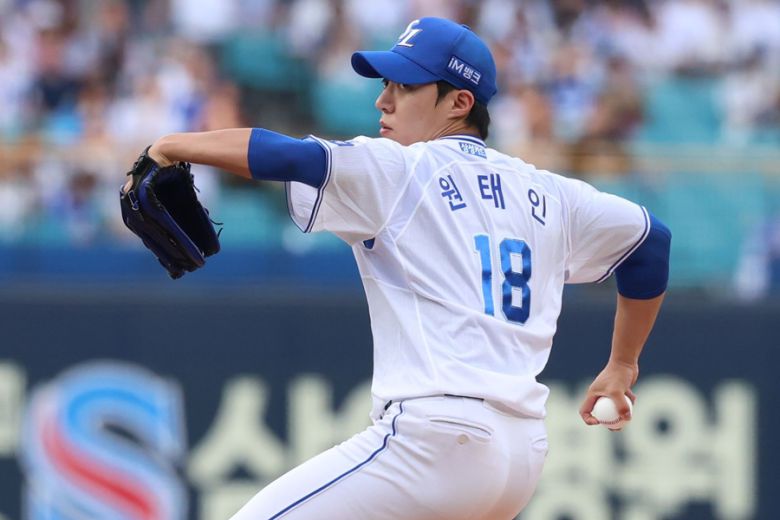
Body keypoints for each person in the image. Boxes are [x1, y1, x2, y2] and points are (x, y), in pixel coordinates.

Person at [125, 17, 671, 520]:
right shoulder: (551, 193)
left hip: (436, 441)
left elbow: (290, 156)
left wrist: (170, 145)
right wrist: (622, 365)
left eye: (405, 86)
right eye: (386, 83)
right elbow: (650, 242)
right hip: (521, 454)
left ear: (459, 102)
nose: (383, 100)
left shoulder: (402, 169)